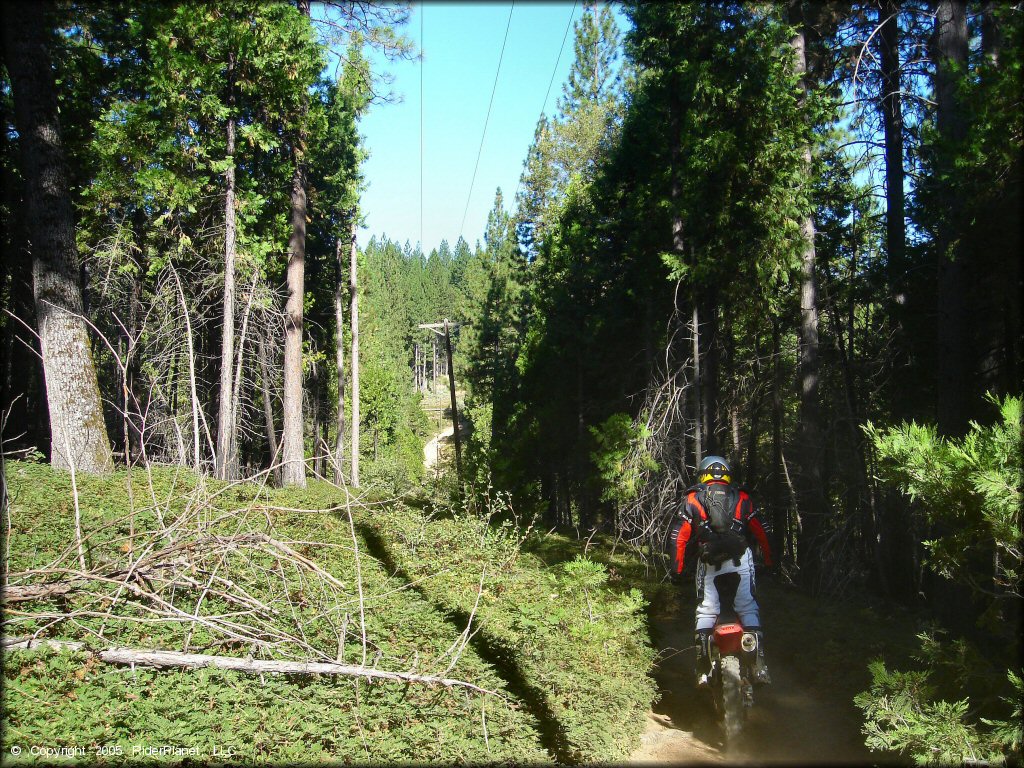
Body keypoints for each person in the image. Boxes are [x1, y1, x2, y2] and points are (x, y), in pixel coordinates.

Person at [669, 455, 773, 687]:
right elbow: (762, 530)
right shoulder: (743, 497)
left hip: (709, 560)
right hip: (740, 558)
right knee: (747, 605)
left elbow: (678, 536)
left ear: (703, 474)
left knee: (706, 609)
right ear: (727, 474)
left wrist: (676, 569)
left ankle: (703, 669)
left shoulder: (693, 499)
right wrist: (769, 561)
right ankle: (759, 665)